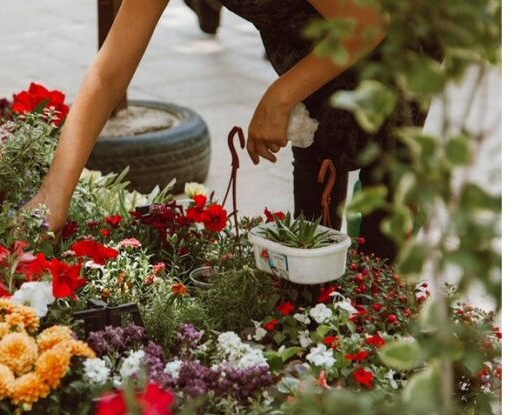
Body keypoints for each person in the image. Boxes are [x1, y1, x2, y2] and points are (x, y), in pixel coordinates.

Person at [25, 0, 432, 261]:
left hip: (393, 44)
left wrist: (279, 97)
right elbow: (108, 73)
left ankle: (384, 358)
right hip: (313, 44)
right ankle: (320, 329)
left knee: (383, 226)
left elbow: (368, 25)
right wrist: (52, 197)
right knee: (313, 212)